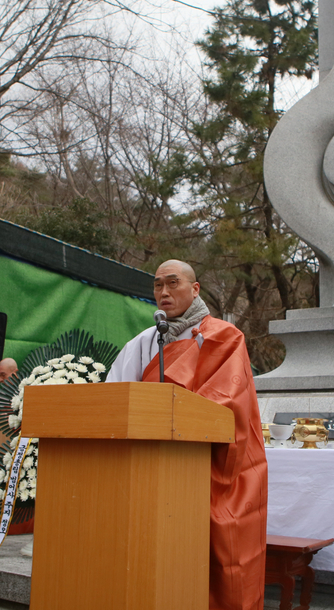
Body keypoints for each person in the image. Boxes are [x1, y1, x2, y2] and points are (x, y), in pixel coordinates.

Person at [107, 260, 268, 610]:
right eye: (157, 285)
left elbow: (230, 402)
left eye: (173, 283)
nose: (163, 292)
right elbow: (114, 396)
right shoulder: (143, 342)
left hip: (203, 466)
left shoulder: (224, 336)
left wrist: (176, 414)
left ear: (194, 289)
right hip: (147, 467)